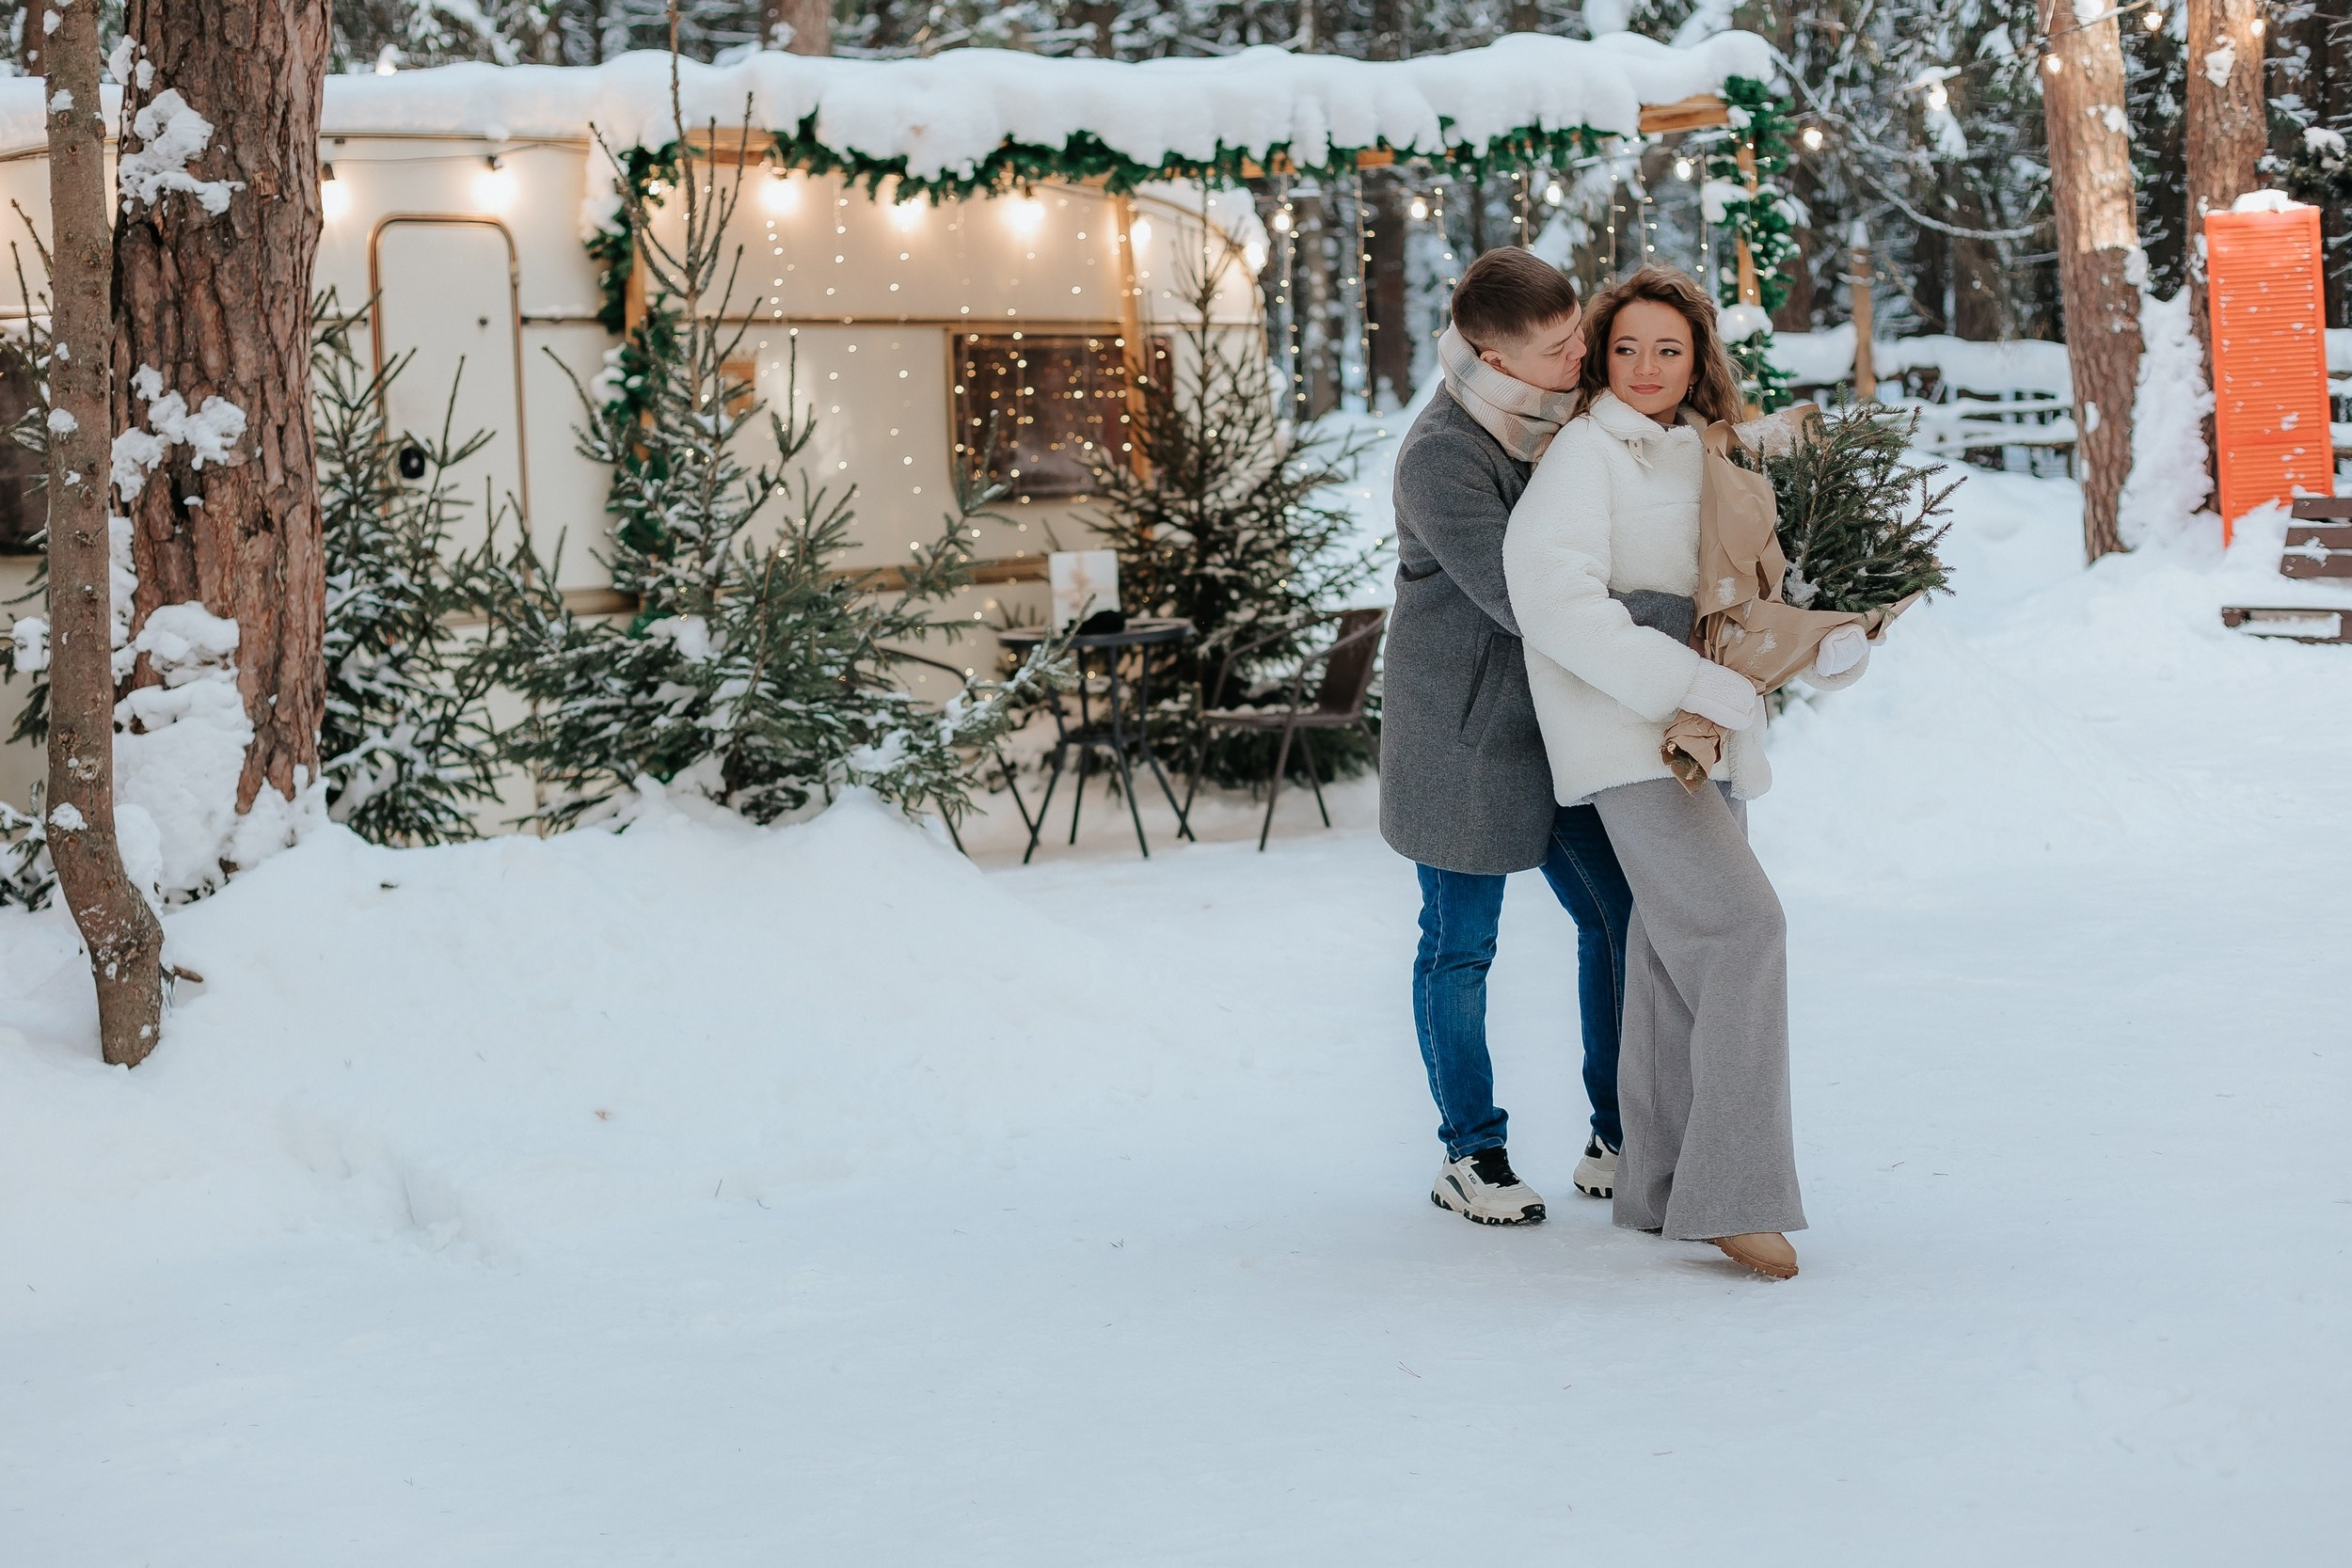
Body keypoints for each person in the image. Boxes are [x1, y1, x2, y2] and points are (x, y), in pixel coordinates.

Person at [1502, 265, 1869, 1280]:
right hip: (1631, 737)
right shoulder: (1584, 454)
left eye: (1667, 348)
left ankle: (1660, 1186)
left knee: (1670, 955)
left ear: (1698, 357)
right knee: (1743, 928)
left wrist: (1823, 639)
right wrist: (1690, 683)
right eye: (1626, 348)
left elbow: (1750, 592)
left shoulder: (1706, 450)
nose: (1647, 367)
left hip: (1698, 736)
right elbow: (1554, 601)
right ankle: (1734, 1192)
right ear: (1600, 359)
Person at [1381, 247, 1634, 1227]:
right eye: (1559, 345)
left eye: (1579, 332)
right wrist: (1676, 618)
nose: (1584, 353)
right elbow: (1525, 596)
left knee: (1616, 919)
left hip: (1557, 721)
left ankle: (1617, 1127)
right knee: (1459, 946)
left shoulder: (1563, 413)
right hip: (1465, 734)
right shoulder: (1444, 452)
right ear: (1491, 353)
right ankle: (1470, 1151)